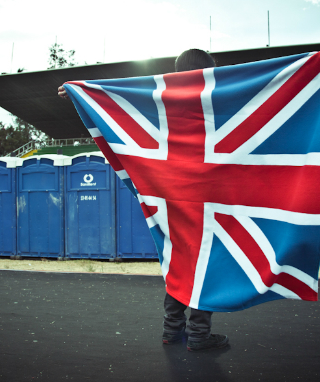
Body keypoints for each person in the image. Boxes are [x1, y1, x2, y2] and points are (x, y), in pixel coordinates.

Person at [58, 49, 229, 352]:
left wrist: (78, 92)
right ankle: (199, 334)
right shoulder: (217, 98)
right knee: (205, 261)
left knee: (178, 260)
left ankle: (171, 330)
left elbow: (121, 100)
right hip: (206, 194)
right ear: (209, 69)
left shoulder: (160, 98)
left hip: (170, 196)